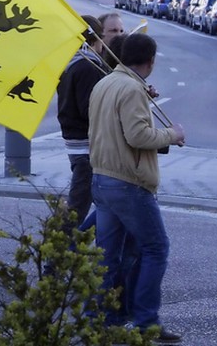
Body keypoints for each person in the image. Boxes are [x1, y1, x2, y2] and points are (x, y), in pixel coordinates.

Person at [89, 33, 185, 342]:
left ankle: (99, 317)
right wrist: (171, 134)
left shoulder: (104, 83)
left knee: (107, 255)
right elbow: (138, 136)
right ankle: (146, 321)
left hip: (101, 177)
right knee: (155, 248)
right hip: (128, 182)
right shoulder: (132, 89)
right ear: (151, 61)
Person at [57, 15, 108, 229]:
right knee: (78, 208)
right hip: (87, 148)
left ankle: (75, 250)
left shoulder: (69, 65)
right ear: (95, 39)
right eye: (102, 38)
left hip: (76, 145)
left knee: (107, 204)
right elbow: (90, 110)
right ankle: (56, 258)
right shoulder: (88, 67)